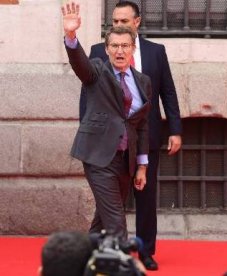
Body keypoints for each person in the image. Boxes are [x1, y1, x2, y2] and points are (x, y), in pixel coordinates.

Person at [80, 1, 182, 270]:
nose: (119, 27)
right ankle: (116, 262)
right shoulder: (98, 54)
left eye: (124, 22)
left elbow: (167, 93)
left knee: (143, 199)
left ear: (136, 23)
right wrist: (88, 133)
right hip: (104, 146)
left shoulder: (154, 54)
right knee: (114, 215)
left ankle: (144, 251)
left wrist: (175, 130)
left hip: (140, 142)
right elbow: (86, 93)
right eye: (114, 22)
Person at [61, 2, 152, 240]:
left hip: (126, 161)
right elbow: (80, 64)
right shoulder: (97, 72)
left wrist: (142, 166)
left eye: (124, 46)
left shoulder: (143, 82)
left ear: (133, 48)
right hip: (99, 158)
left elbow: (142, 126)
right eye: (114, 46)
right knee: (115, 223)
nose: (119, 51)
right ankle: (120, 264)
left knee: (103, 220)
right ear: (107, 49)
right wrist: (71, 35)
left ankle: (83, 261)